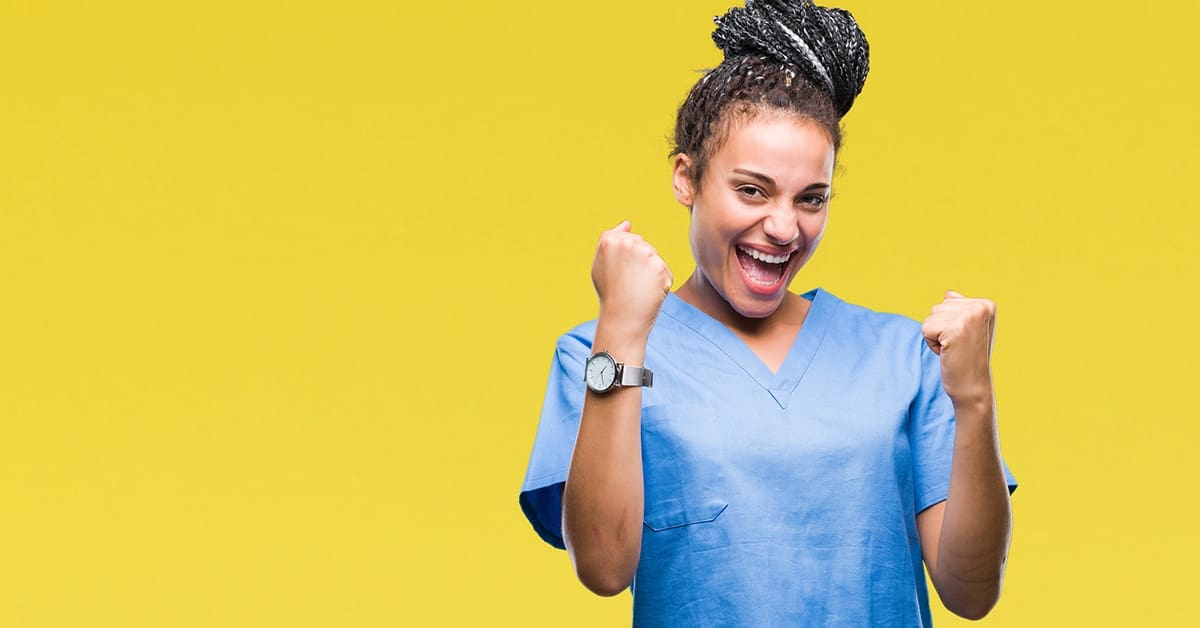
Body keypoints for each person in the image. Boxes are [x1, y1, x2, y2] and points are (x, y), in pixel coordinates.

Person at [519, 0, 1017, 625]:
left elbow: (971, 593)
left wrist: (974, 401)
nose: (784, 228)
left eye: (812, 198)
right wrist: (619, 333)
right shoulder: (598, 355)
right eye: (752, 190)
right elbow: (604, 567)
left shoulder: (904, 357)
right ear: (686, 178)